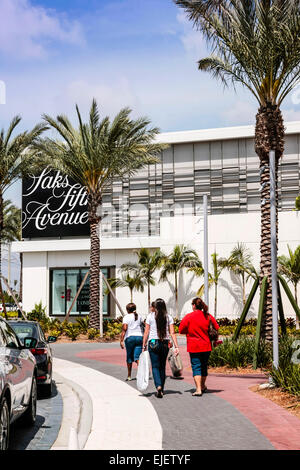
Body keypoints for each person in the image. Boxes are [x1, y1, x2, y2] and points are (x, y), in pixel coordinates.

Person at [179, 297, 219, 396]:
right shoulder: (208, 316)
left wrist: (190, 331)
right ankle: (203, 385)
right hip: (206, 345)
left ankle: (198, 389)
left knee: (196, 366)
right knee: (204, 366)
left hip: (194, 346)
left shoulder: (189, 316)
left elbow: (181, 330)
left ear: (193, 305)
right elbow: (216, 327)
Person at [142, 299, 179, 398]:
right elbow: (172, 333)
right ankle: (161, 388)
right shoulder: (168, 317)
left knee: (155, 366)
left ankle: (158, 386)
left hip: (153, 342)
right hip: (165, 343)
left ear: (156, 307)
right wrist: (176, 346)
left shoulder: (150, 316)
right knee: (162, 366)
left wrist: (143, 345)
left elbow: (146, 332)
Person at [120, 303, 144, 381]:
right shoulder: (139, 316)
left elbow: (124, 329)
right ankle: (141, 373)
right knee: (137, 357)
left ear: (127, 310)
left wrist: (121, 340)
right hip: (140, 337)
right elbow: (143, 326)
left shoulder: (126, 317)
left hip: (130, 338)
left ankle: (129, 376)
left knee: (129, 357)